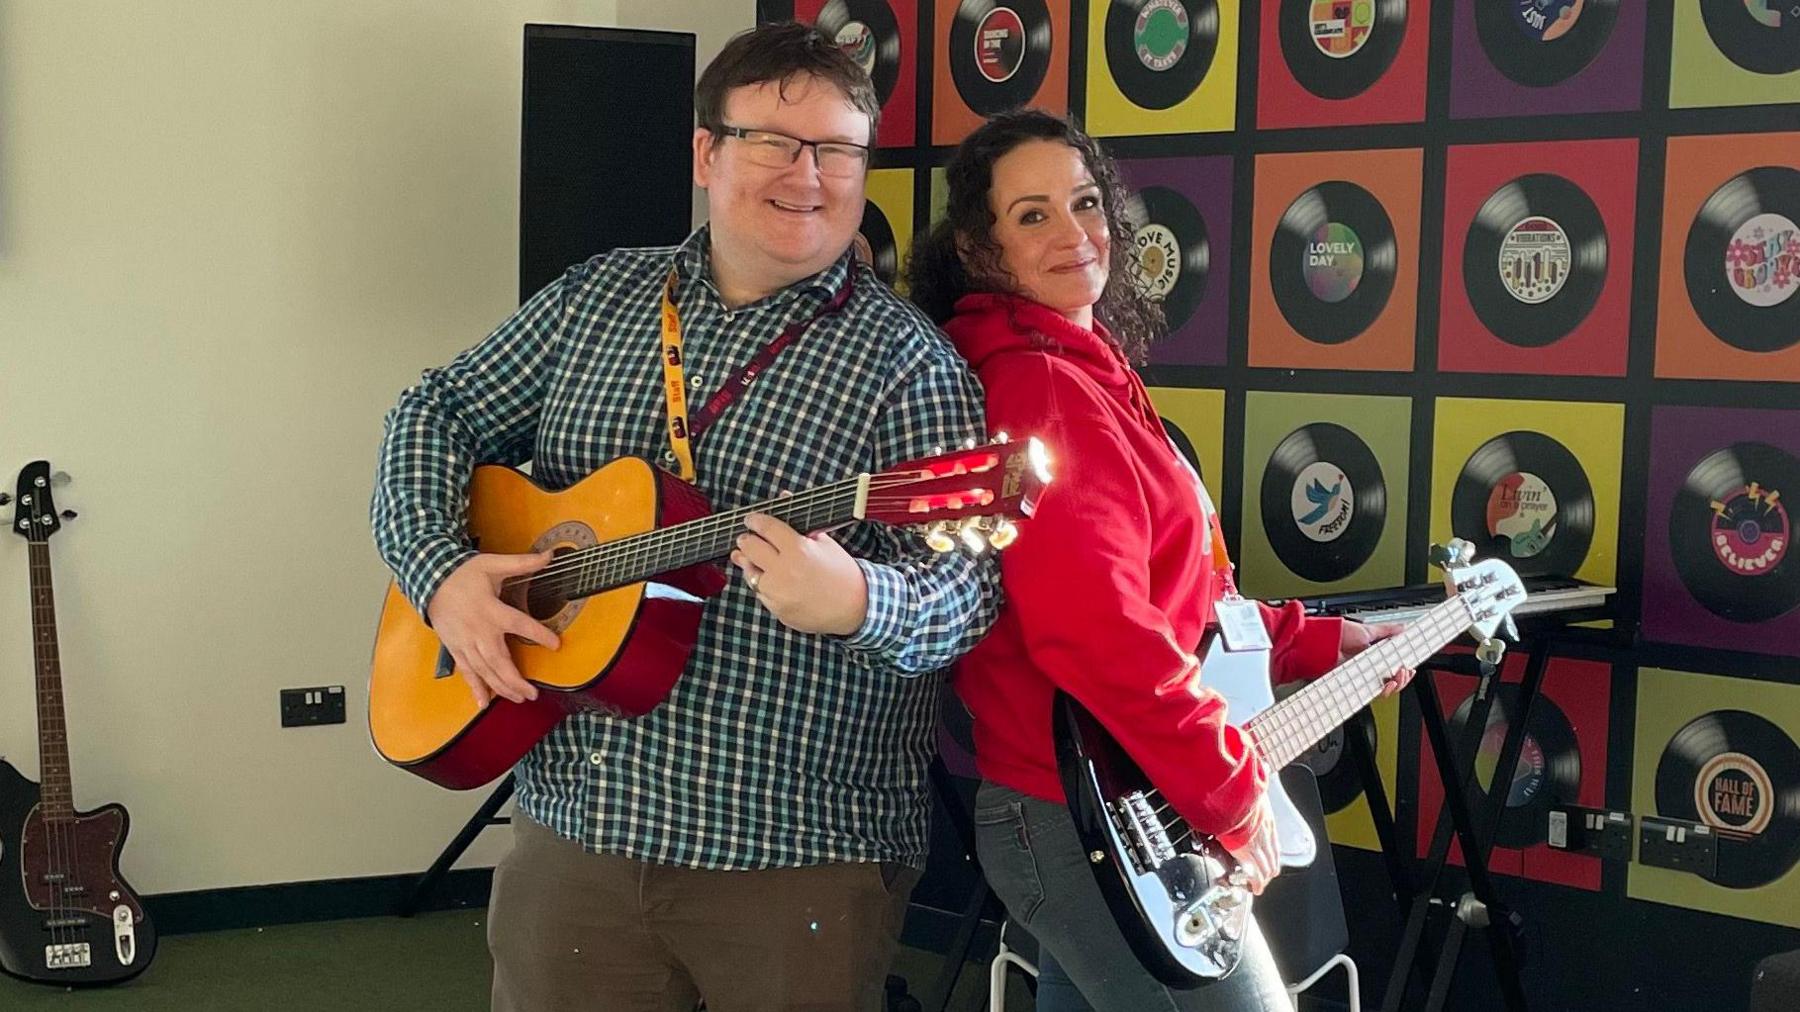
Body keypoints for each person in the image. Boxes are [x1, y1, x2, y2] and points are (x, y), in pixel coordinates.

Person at [371, 23, 1001, 1012]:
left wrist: (863, 600)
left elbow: (967, 590)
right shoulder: (596, 298)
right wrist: (441, 573)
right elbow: (433, 412)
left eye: (838, 149)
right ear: (707, 151)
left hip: (800, 857)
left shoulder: (910, 368)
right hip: (579, 829)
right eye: (774, 142)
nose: (809, 173)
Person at [905, 109, 1413, 1012]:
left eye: (1085, 202)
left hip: (1090, 812)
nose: (1074, 234)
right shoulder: (1041, 386)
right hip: (1081, 819)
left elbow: (1186, 605)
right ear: (982, 252)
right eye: (1033, 216)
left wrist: (1322, 643)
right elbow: (1096, 631)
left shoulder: (1080, 368)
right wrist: (1228, 791)